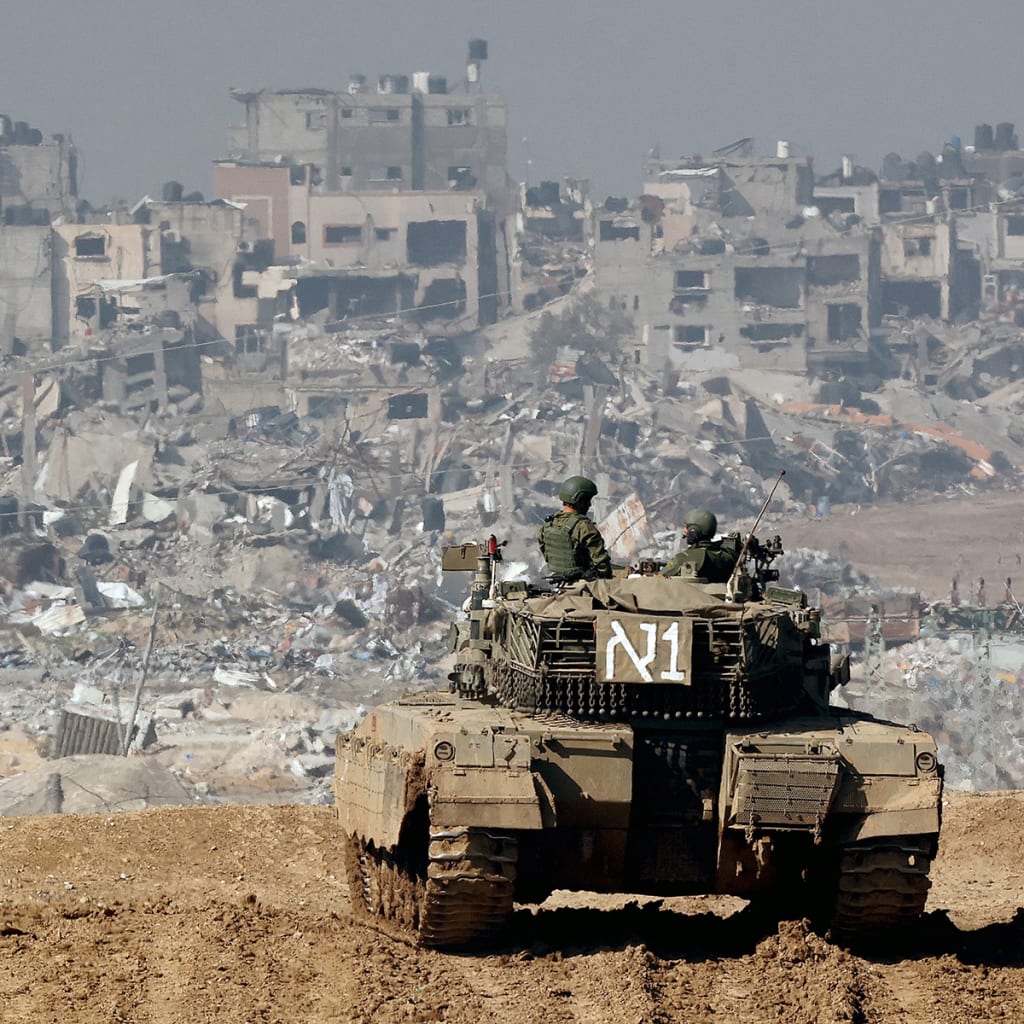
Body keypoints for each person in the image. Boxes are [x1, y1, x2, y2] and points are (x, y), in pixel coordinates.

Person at [537, 476, 612, 579]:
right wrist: (606, 576)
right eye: (587, 500)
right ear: (580, 500)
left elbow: (546, 552)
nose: (589, 504)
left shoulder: (548, 525)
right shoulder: (583, 526)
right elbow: (601, 562)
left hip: (559, 579)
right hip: (584, 582)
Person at [663, 508, 740, 582]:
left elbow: (660, 576)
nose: (684, 531)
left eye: (687, 528)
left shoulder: (685, 557)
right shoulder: (728, 556)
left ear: (694, 531)